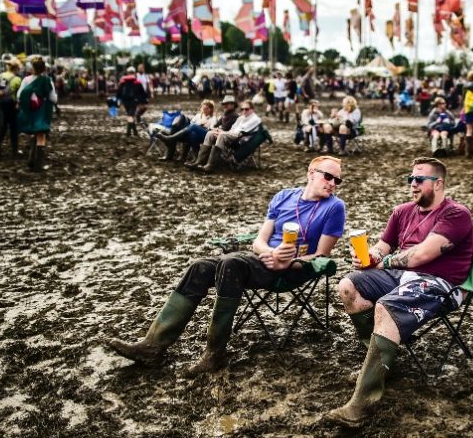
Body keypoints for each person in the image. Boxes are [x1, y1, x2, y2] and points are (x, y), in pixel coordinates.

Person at [107, 156, 347, 376]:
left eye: (337, 180)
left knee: (231, 262)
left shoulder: (334, 207)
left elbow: (320, 256)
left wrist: (289, 261)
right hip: (262, 259)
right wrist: (271, 253)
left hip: (293, 270)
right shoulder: (284, 197)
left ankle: (215, 354)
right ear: (311, 173)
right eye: (328, 176)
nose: (332, 183)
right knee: (200, 266)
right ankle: (153, 345)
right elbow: (258, 241)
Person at [326, 157, 473, 428]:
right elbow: (383, 248)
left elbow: (422, 254)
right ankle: (382, 365)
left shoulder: (456, 213)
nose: (412, 185)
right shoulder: (402, 211)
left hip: (442, 282)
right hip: (400, 276)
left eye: (419, 180)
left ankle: (362, 405)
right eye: (410, 179)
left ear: (438, 184)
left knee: (386, 306)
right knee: (348, 286)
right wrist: (368, 256)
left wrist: (385, 262)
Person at [193, 99, 261, 172]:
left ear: (252, 109)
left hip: (241, 138)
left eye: (246, 109)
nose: (244, 111)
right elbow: (232, 129)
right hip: (232, 134)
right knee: (210, 134)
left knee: (221, 135)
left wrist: (223, 132)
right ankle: (199, 161)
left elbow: (246, 132)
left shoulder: (255, 119)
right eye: (242, 109)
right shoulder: (240, 118)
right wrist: (222, 132)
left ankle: (210, 165)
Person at [17, 57, 58, 172]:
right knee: (41, 135)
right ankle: (38, 164)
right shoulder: (47, 80)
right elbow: (53, 98)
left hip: (30, 110)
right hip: (43, 110)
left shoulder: (26, 80)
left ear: (32, 68)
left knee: (33, 133)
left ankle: (31, 159)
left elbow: (19, 95)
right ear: (44, 68)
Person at [0, 58, 23, 157]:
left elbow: (0, 89)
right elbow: (20, 94)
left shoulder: (1, 76)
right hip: (12, 105)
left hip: (2, 104)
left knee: (2, 127)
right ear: (17, 68)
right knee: (13, 128)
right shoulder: (18, 79)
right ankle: (14, 150)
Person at [117, 67, 148, 137]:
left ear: (127, 73)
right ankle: (128, 133)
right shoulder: (137, 82)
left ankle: (135, 132)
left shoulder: (123, 82)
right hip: (134, 101)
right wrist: (144, 101)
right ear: (134, 73)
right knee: (131, 115)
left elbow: (119, 92)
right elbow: (142, 93)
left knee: (130, 114)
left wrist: (119, 101)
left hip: (125, 101)